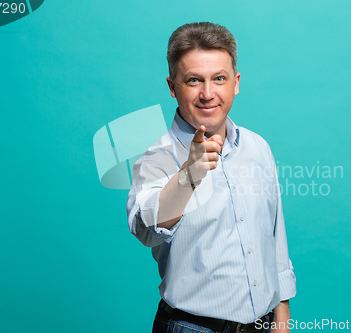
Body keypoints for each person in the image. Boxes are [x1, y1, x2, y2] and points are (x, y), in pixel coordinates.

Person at [127, 22, 296, 333]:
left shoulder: (257, 147)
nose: (208, 94)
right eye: (193, 80)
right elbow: (145, 229)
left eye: (219, 78)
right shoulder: (156, 158)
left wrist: (281, 316)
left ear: (236, 82)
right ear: (172, 86)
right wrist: (189, 176)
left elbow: (274, 234)